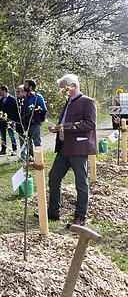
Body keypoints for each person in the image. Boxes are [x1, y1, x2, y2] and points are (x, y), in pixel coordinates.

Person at [47, 74, 97, 228]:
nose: (62, 91)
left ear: (73, 86)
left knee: (81, 183)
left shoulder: (88, 102)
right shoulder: (68, 102)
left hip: (78, 149)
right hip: (63, 148)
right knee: (54, 177)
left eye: (64, 88)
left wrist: (65, 127)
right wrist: (57, 128)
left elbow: (90, 124)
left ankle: (80, 216)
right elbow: (66, 124)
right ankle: (53, 212)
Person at [23, 78, 47, 158]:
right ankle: (31, 158)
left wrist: (40, 120)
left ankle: (39, 159)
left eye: (25, 85)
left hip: (34, 122)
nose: (24, 87)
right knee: (28, 142)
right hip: (26, 122)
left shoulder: (37, 96)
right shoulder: (25, 97)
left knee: (36, 141)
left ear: (30, 86)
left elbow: (43, 109)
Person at [0, 85, 18, 156]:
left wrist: (13, 121)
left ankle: (14, 149)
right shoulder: (1, 100)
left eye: (0, 91)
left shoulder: (12, 99)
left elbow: (14, 111)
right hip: (2, 121)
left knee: (11, 135)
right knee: (3, 136)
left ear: (4, 91)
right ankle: (3, 149)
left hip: (10, 121)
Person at [14, 85, 27, 160]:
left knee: (28, 141)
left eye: (19, 91)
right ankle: (23, 157)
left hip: (26, 124)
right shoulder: (16, 101)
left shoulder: (26, 100)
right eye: (17, 91)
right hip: (19, 124)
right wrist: (14, 123)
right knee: (21, 140)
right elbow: (14, 113)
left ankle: (29, 156)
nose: (17, 93)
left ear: (23, 92)